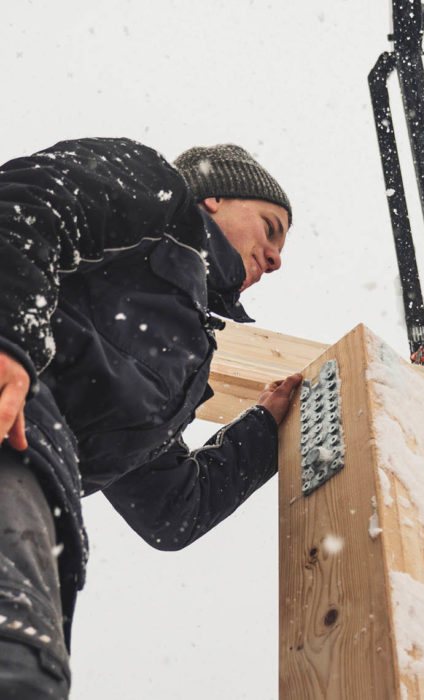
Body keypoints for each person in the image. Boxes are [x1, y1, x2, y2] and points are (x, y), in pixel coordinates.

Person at [0, 137, 302, 698]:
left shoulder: (179, 358)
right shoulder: (158, 194)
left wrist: (266, 427)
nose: (277, 257)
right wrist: (8, 339)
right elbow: (27, 203)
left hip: (42, 493)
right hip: (15, 432)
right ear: (214, 199)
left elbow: (173, 510)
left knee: (31, 668)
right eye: (270, 227)